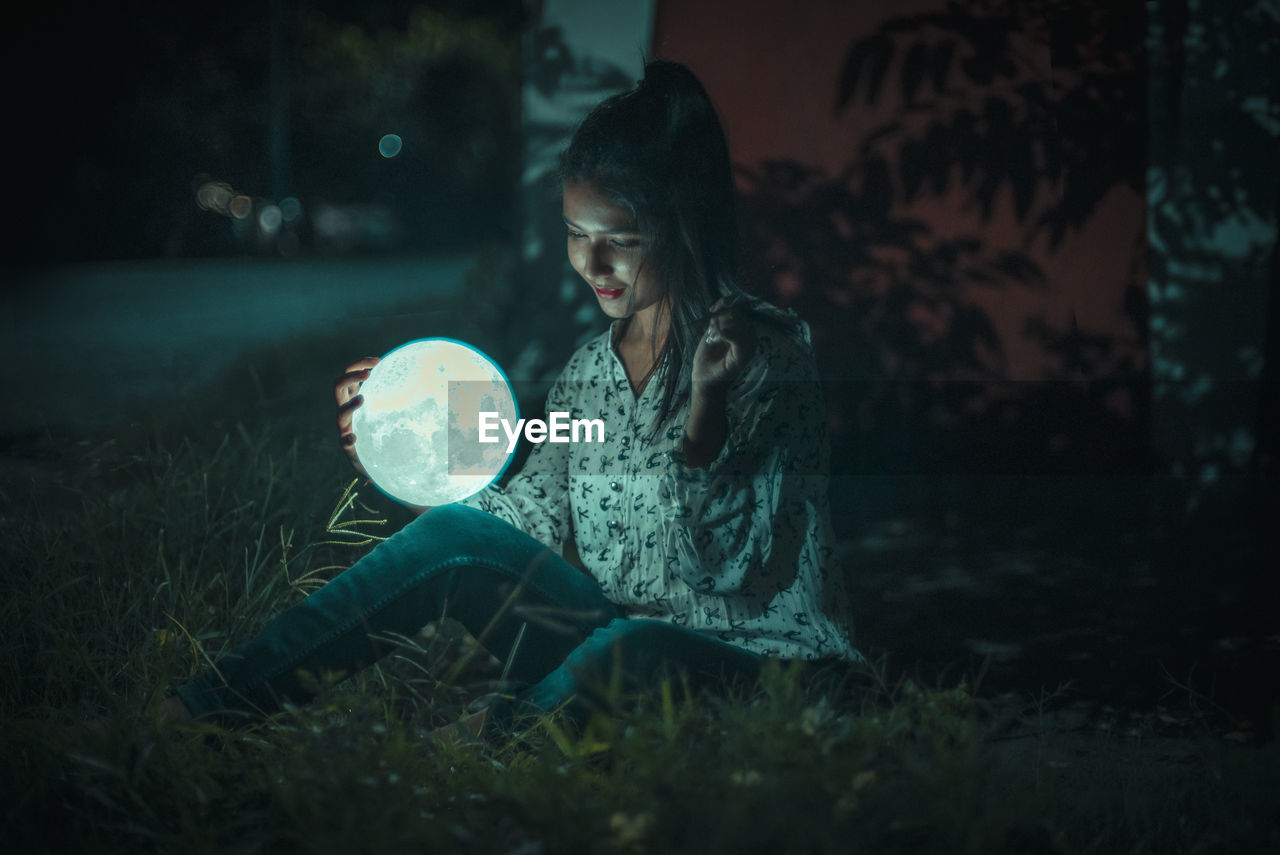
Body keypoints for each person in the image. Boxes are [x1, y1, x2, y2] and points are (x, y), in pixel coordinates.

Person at [165, 60, 863, 739]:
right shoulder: (592, 372)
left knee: (636, 649)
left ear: (680, 226)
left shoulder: (767, 357)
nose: (593, 266)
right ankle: (203, 709)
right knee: (458, 539)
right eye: (575, 234)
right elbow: (520, 521)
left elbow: (718, 571)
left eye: (620, 240)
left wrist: (705, 414)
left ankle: (472, 742)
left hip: (761, 663)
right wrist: (399, 456)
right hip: (614, 641)